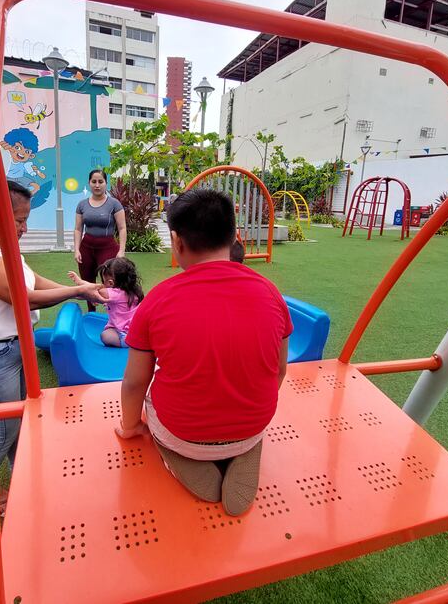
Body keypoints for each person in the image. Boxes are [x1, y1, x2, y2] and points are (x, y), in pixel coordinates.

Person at [115, 189, 292, 516]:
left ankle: (182, 455)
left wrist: (129, 426)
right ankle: (243, 448)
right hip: (253, 424)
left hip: (184, 433)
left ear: (177, 241)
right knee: (245, 426)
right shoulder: (270, 293)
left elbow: (135, 382)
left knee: (153, 401)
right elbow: (279, 371)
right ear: (234, 236)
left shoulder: (158, 299)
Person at [0, 180, 106, 512]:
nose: (24, 228)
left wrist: (84, 287)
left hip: (12, 347)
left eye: (24, 220)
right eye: (19, 221)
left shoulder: (5, 251)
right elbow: (23, 298)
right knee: (4, 427)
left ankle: (21, 475)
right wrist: (77, 292)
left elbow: (35, 282)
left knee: (18, 419)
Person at [74, 169, 126, 311]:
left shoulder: (114, 204)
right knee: (87, 282)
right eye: (94, 182)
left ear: (106, 183)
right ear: (89, 183)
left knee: (111, 282)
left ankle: (115, 314)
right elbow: (78, 229)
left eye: (100, 182)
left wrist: (121, 250)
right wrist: (76, 249)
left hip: (108, 247)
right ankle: (91, 312)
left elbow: (122, 228)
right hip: (86, 248)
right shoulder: (82, 205)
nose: (97, 185)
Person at [68, 257, 143, 347]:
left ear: (111, 283)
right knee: (109, 330)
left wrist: (80, 283)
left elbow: (91, 291)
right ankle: (134, 339)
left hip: (124, 332)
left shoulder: (115, 293)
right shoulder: (133, 291)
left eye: (103, 281)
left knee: (105, 336)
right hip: (135, 329)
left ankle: (127, 342)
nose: (102, 285)